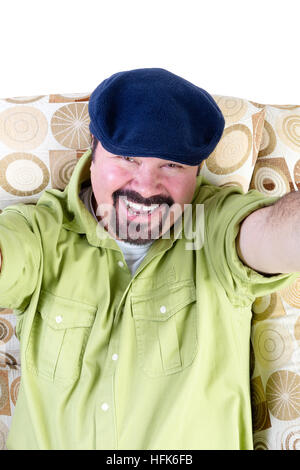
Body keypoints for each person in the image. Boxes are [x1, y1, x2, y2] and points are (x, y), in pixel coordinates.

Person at [1, 68, 299, 450]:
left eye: (172, 165)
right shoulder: (42, 231)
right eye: (127, 158)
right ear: (92, 150)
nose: (146, 187)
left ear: (197, 171)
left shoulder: (214, 225)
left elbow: (274, 233)